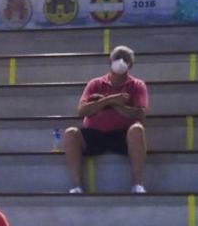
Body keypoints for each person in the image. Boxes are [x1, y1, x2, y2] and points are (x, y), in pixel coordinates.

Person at [63, 45, 148, 195]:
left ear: (131, 64)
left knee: (137, 130)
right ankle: (77, 186)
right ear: (110, 61)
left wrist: (109, 103)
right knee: (70, 133)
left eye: (126, 59)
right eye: (117, 58)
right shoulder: (95, 84)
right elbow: (82, 111)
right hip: (95, 134)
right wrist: (112, 99)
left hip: (122, 136)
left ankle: (137, 184)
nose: (121, 61)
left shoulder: (137, 85)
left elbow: (140, 114)